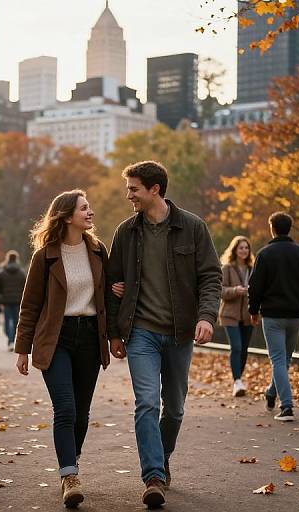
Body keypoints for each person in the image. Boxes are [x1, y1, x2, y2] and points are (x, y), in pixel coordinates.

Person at [107, 160, 222, 508]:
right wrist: (114, 332)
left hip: (180, 332)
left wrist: (206, 317)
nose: (129, 195)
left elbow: (211, 277)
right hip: (140, 332)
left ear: (154, 189)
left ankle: (163, 454)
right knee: (146, 403)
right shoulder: (126, 232)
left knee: (174, 409)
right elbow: (110, 281)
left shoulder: (192, 227)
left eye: (134, 189)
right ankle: (153, 476)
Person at [15, 190, 110, 508]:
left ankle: (73, 459)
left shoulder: (98, 250)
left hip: (89, 338)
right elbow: (30, 305)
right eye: (85, 208)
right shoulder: (45, 256)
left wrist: (115, 290)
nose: (90, 212)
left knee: (81, 414)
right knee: (65, 409)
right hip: (56, 338)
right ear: (67, 216)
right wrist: (22, 349)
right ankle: (69, 477)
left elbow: (106, 293)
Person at [248, 212, 299, 422]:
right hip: (296, 315)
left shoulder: (265, 254)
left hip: (273, 316)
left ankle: (287, 406)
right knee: (284, 360)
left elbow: (255, 287)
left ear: (272, 227)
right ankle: (271, 392)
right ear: (290, 228)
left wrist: (253, 311)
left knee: (279, 360)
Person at [219, 236, 254, 397]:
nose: (244, 251)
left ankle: (238, 380)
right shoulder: (227, 268)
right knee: (237, 347)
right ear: (235, 250)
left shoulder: (252, 269)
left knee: (244, 349)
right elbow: (220, 291)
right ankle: (237, 381)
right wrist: (235, 290)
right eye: (241, 248)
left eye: (246, 248)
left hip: (248, 316)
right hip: (229, 315)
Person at [0, 251, 26, 351]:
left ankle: (10, 339)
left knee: (7, 321)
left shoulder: (2, 272)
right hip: (18, 301)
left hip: (6, 301)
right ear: (16, 259)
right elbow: (26, 287)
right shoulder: (21, 272)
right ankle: (13, 339)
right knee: (16, 321)